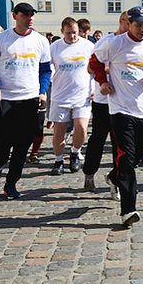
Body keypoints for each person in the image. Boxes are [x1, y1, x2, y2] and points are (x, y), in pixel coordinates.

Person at [89, 6, 143, 226]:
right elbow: (93, 62)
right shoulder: (114, 43)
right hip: (120, 110)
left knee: (135, 157)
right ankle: (128, 210)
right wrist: (103, 82)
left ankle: (114, 177)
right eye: (138, 25)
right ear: (128, 23)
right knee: (126, 160)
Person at [0, 2, 52, 198]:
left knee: (23, 145)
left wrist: (42, 91)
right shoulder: (1, 39)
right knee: (2, 143)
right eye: (25, 15)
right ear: (15, 16)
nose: (30, 18)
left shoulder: (40, 41)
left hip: (29, 99)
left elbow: (45, 70)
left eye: (32, 15)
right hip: (5, 98)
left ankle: (11, 183)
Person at [82, 12, 129, 192]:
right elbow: (89, 68)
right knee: (98, 139)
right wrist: (113, 69)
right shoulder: (105, 42)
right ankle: (89, 173)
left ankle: (116, 180)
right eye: (129, 22)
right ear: (121, 22)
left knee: (121, 145)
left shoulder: (134, 44)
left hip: (125, 101)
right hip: (104, 100)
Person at [48, 17, 94, 175]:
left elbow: (95, 69)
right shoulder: (55, 47)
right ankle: (58, 160)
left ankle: (75, 152)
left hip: (82, 95)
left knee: (81, 128)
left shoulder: (88, 46)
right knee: (59, 131)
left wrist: (94, 87)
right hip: (60, 95)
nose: (72, 36)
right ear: (62, 32)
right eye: (68, 33)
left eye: (75, 33)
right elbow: (48, 67)